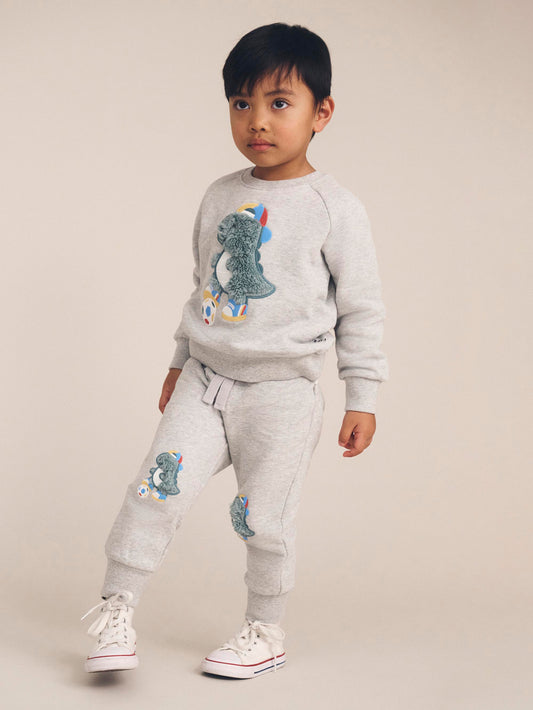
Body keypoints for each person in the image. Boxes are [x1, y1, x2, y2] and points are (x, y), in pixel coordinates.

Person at [80, 21, 389, 679]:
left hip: (281, 394)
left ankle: (264, 630)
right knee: (153, 492)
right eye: (241, 103)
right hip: (204, 379)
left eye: (279, 102)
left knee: (261, 520)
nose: (258, 120)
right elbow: (203, 287)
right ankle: (116, 607)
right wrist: (177, 363)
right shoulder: (220, 194)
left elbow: (361, 308)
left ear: (321, 113)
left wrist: (361, 396)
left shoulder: (334, 208)